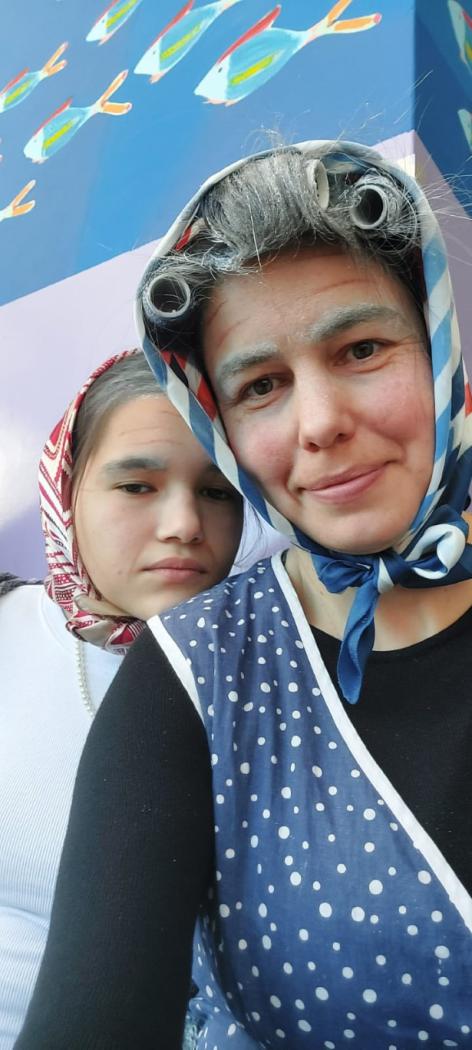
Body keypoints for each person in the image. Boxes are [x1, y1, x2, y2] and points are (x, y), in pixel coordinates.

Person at [15, 142, 472, 1049]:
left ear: (441, 349)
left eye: (363, 348)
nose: (319, 423)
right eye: (261, 386)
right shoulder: (197, 674)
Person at [1, 349, 243, 1050]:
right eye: (137, 486)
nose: (184, 524)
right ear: (65, 487)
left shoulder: (273, 679)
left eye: (218, 491)